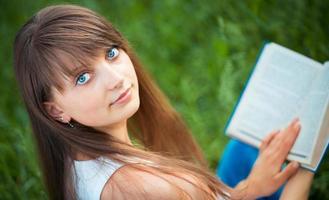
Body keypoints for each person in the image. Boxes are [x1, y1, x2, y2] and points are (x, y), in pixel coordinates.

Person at [13, 4, 314, 200]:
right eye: (82, 77)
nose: (116, 78)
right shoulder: (136, 187)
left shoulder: (73, 160)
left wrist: (245, 191)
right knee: (303, 135)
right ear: (55, 110)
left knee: (251, 144)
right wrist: (306, 166)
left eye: (111, 53)